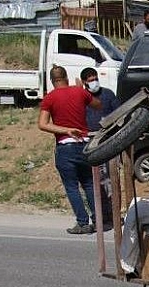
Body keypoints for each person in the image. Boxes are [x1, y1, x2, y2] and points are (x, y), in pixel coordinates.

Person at [38, 65, 102, 234]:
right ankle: (98, 220)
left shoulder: (49, 98)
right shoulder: (79, 92)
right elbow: (97, 104)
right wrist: (83, 90)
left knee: (72, 186)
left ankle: (82, 223)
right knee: (88, 183)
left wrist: (65, 130)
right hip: (84, 144)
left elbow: (42, 124)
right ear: (66, 77)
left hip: (65, 146)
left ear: (52, 81)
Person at [81, 67, 121, 230]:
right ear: (84, 82)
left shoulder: (108, 95)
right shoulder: (81, 98)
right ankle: (100, 216)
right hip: (89, 141)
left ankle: (114, 214)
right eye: (90, 80)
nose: (94, 82)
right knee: (94, 181)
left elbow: (118, 114)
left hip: (107, 141)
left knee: (110, 180)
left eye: (95, 78)